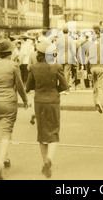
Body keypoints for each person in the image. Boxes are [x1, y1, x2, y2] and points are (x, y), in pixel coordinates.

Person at [0, 39, 28, 180]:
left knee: (1, 129)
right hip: (9, 99)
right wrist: (26, 100)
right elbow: (20, 86)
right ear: (9, 53)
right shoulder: (14, 66)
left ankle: (6, 157)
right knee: (7, 131)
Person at [26, 40, 68, 178]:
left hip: (39, 102)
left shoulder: (33, 68)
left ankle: (44, 161)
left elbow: (28, 86)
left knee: (42, 132)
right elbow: (64, 86)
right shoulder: (57, 67)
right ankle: (49, 159)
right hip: (53, 101)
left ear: (38, 54)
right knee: (54, 131)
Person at [85, 26, 103, 113]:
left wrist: (88, 72)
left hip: (92, 68)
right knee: (102, 87)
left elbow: (86, 61)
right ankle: (99, 102)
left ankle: (95, 104)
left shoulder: (90, 46)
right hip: (101, 68)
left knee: (95, 86)